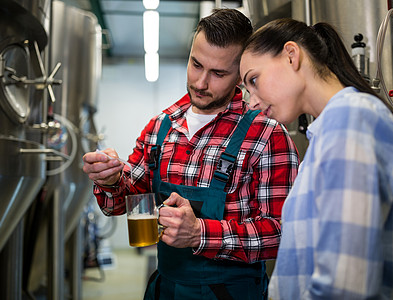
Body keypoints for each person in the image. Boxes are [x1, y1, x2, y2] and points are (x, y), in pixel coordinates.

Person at [83, 9, 299, 300]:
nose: (200, 83)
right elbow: (122, 202)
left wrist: (200, 233)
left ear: (240, 73)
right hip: (166, 289)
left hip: (231, 293)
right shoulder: (161, 127)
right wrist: (109, 179)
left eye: (218, 73)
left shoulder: (267, 135)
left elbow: (282, 233)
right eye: (196, 65)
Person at [240, 18, 393, 299]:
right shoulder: (328, 133)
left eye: (254, 80)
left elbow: (345, 286)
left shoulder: (351, 120)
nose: (252, 101)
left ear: (291, 56)